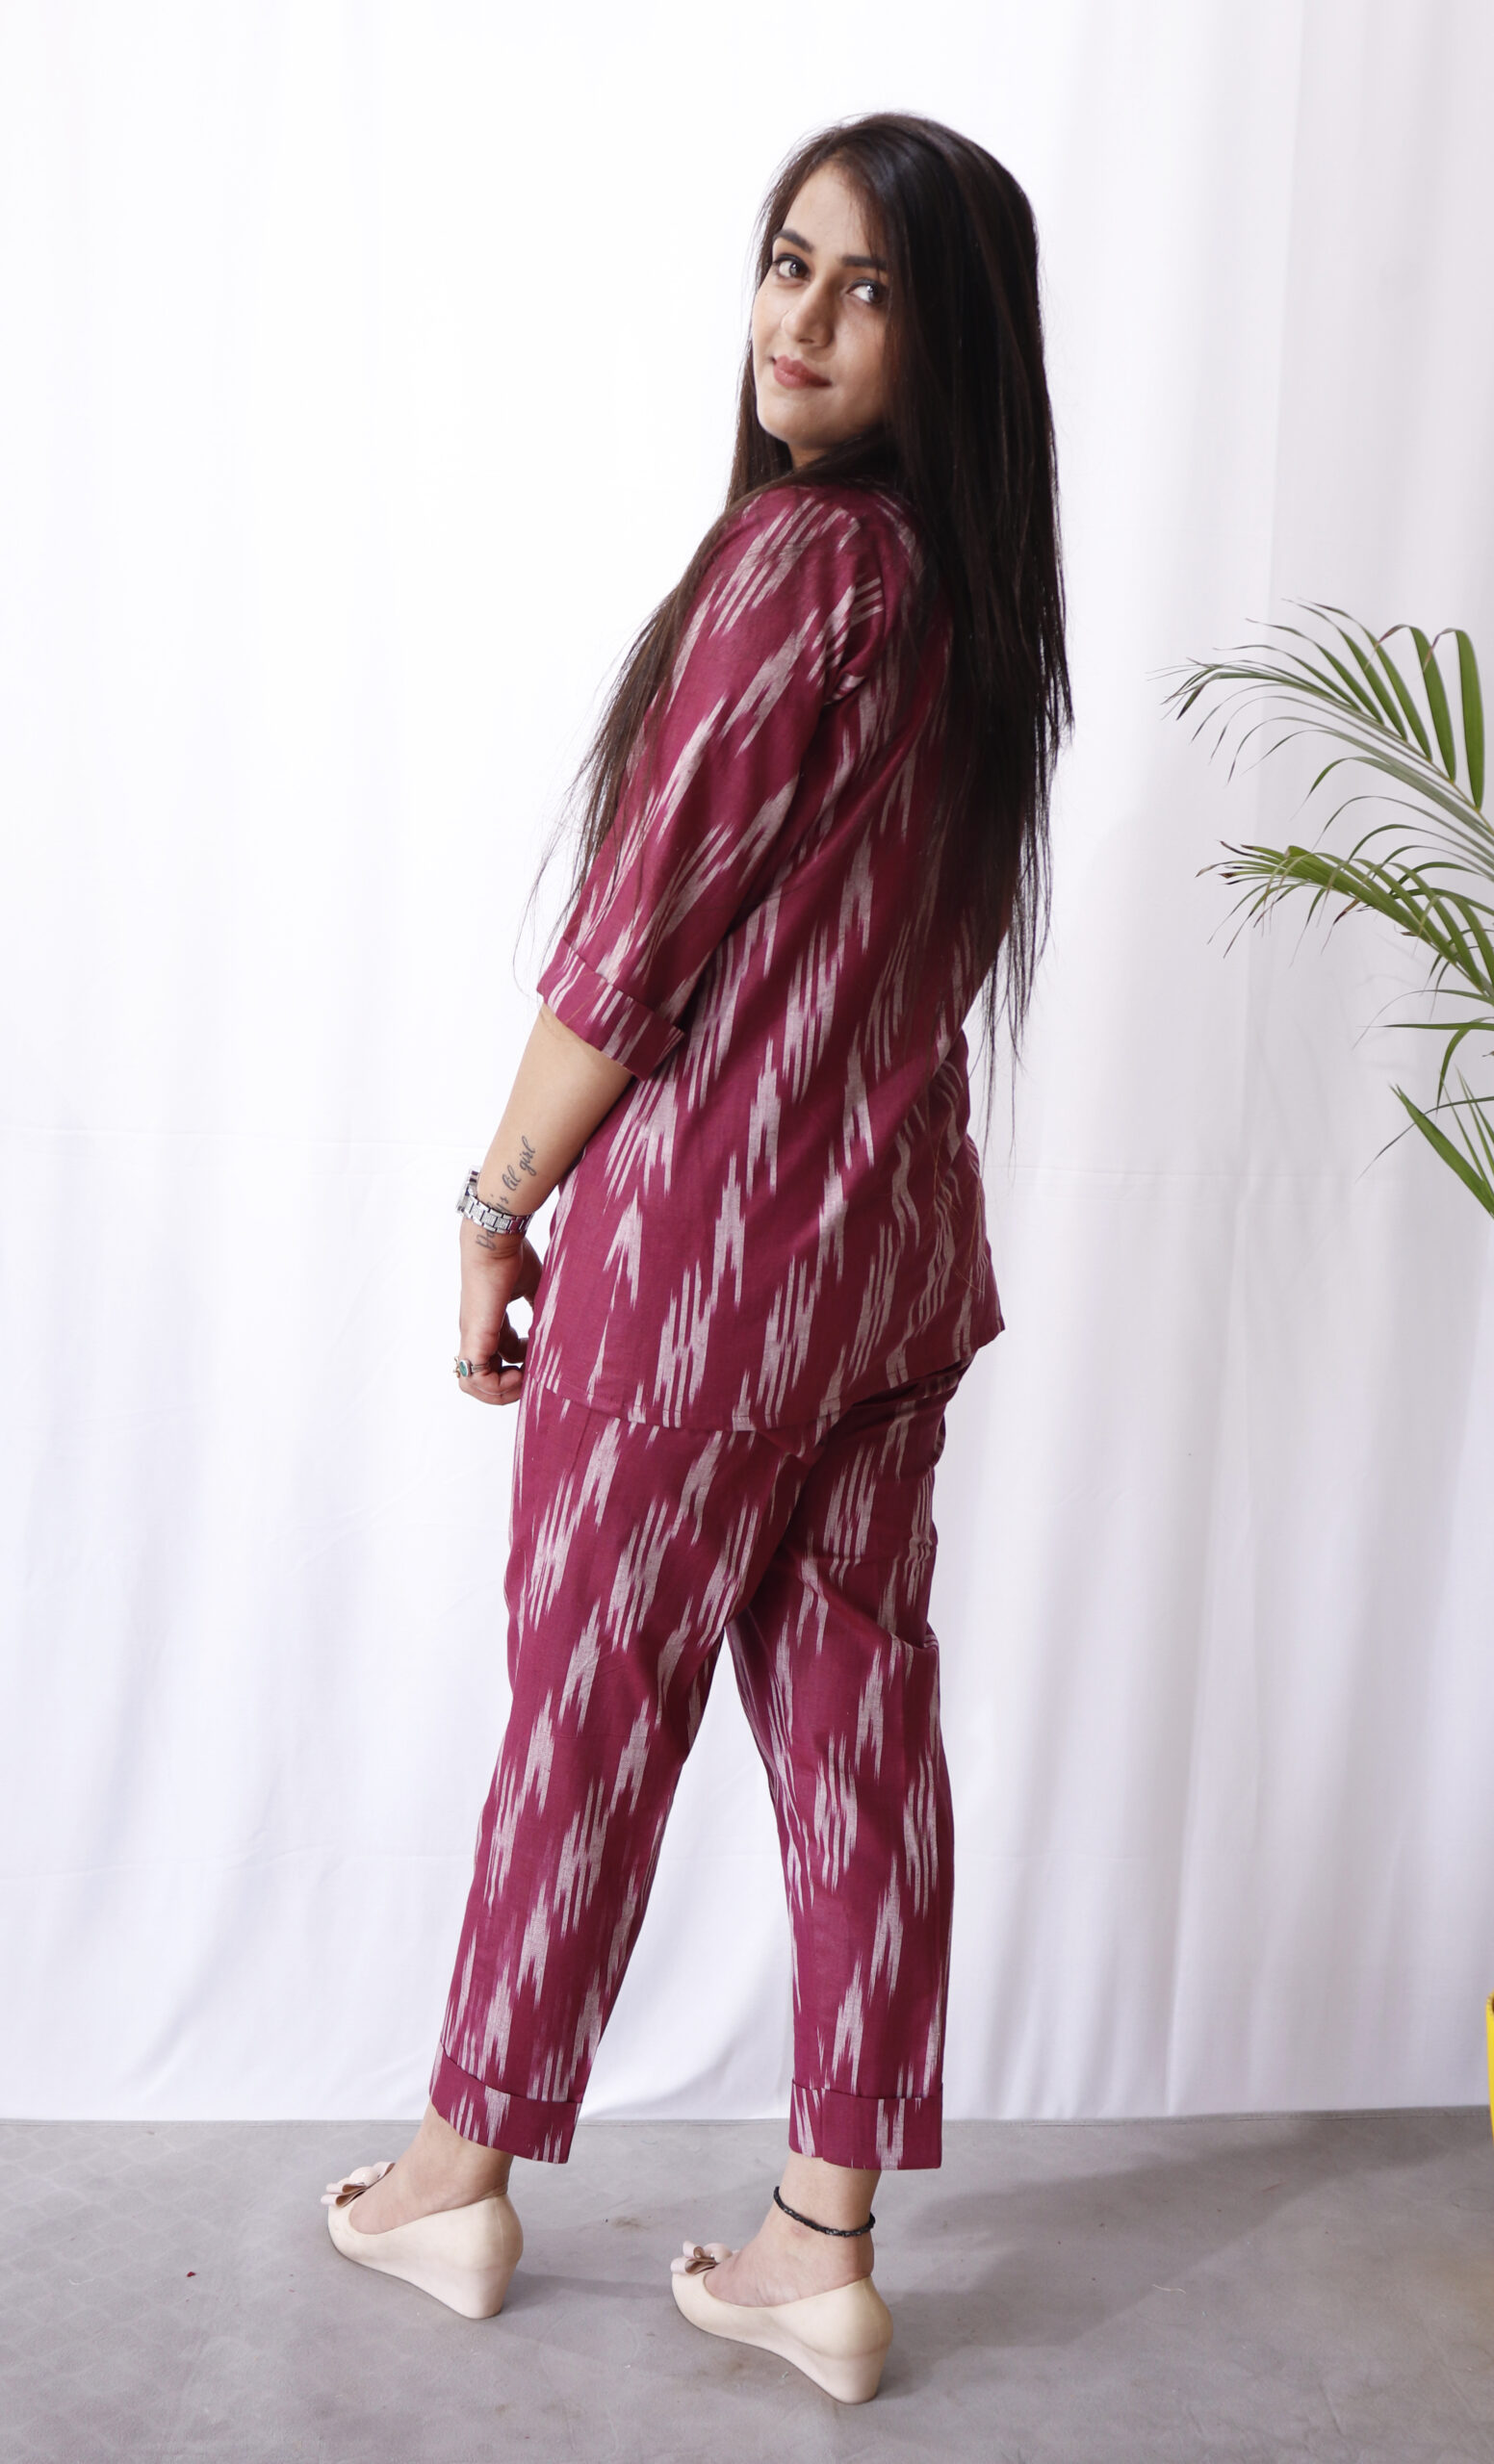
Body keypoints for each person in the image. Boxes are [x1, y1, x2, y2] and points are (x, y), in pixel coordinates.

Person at [321, 109, 1069, 2405]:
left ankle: (458, 2171)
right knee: (857, 1715)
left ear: (947, 342)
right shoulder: (980, 612)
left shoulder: (801, 565)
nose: (798, 319)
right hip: (892, 1256)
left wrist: (493, 1206)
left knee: (588, 1691)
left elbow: (631, 942)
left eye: (865, 287)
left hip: (710, 1263)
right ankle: (821, 2243)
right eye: (783, 262)